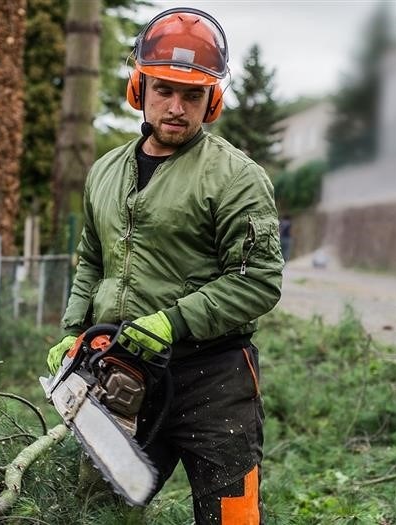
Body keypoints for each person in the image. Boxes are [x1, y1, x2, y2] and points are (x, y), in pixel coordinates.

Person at [46, 7, 283, 525]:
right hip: (122, 375)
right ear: (140, 88)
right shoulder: (105, 171)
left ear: (212, 100)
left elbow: (258, 280)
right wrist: (76, 332)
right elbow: (91, 259)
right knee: (98, 512)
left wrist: (172, 322)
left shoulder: (236, 178)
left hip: (215, 381)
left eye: (192, 94)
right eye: (164, 90)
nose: (176, 107)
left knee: (232, 517)